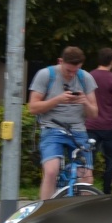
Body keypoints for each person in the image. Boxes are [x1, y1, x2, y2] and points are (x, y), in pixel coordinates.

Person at [27, 45, 99, 201]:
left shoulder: (85, 78)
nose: (72, 75)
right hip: (52, 128)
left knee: (87, 178)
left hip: (78, 130)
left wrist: (84, 101)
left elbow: (94, 113)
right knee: (51, 171)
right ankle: (44, 211)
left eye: (76, 71)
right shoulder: (46, 75)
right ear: (60, 61)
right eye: (68, 71)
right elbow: (32, 107)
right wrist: (58, 99)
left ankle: (83, 215)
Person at [85, 47, 112, 195]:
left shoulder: (89, 76)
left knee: (89, 159)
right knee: (110, 160)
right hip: (109, 126)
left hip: (91, 124)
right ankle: (106, 191)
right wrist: (110, 111)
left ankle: (86, 188)